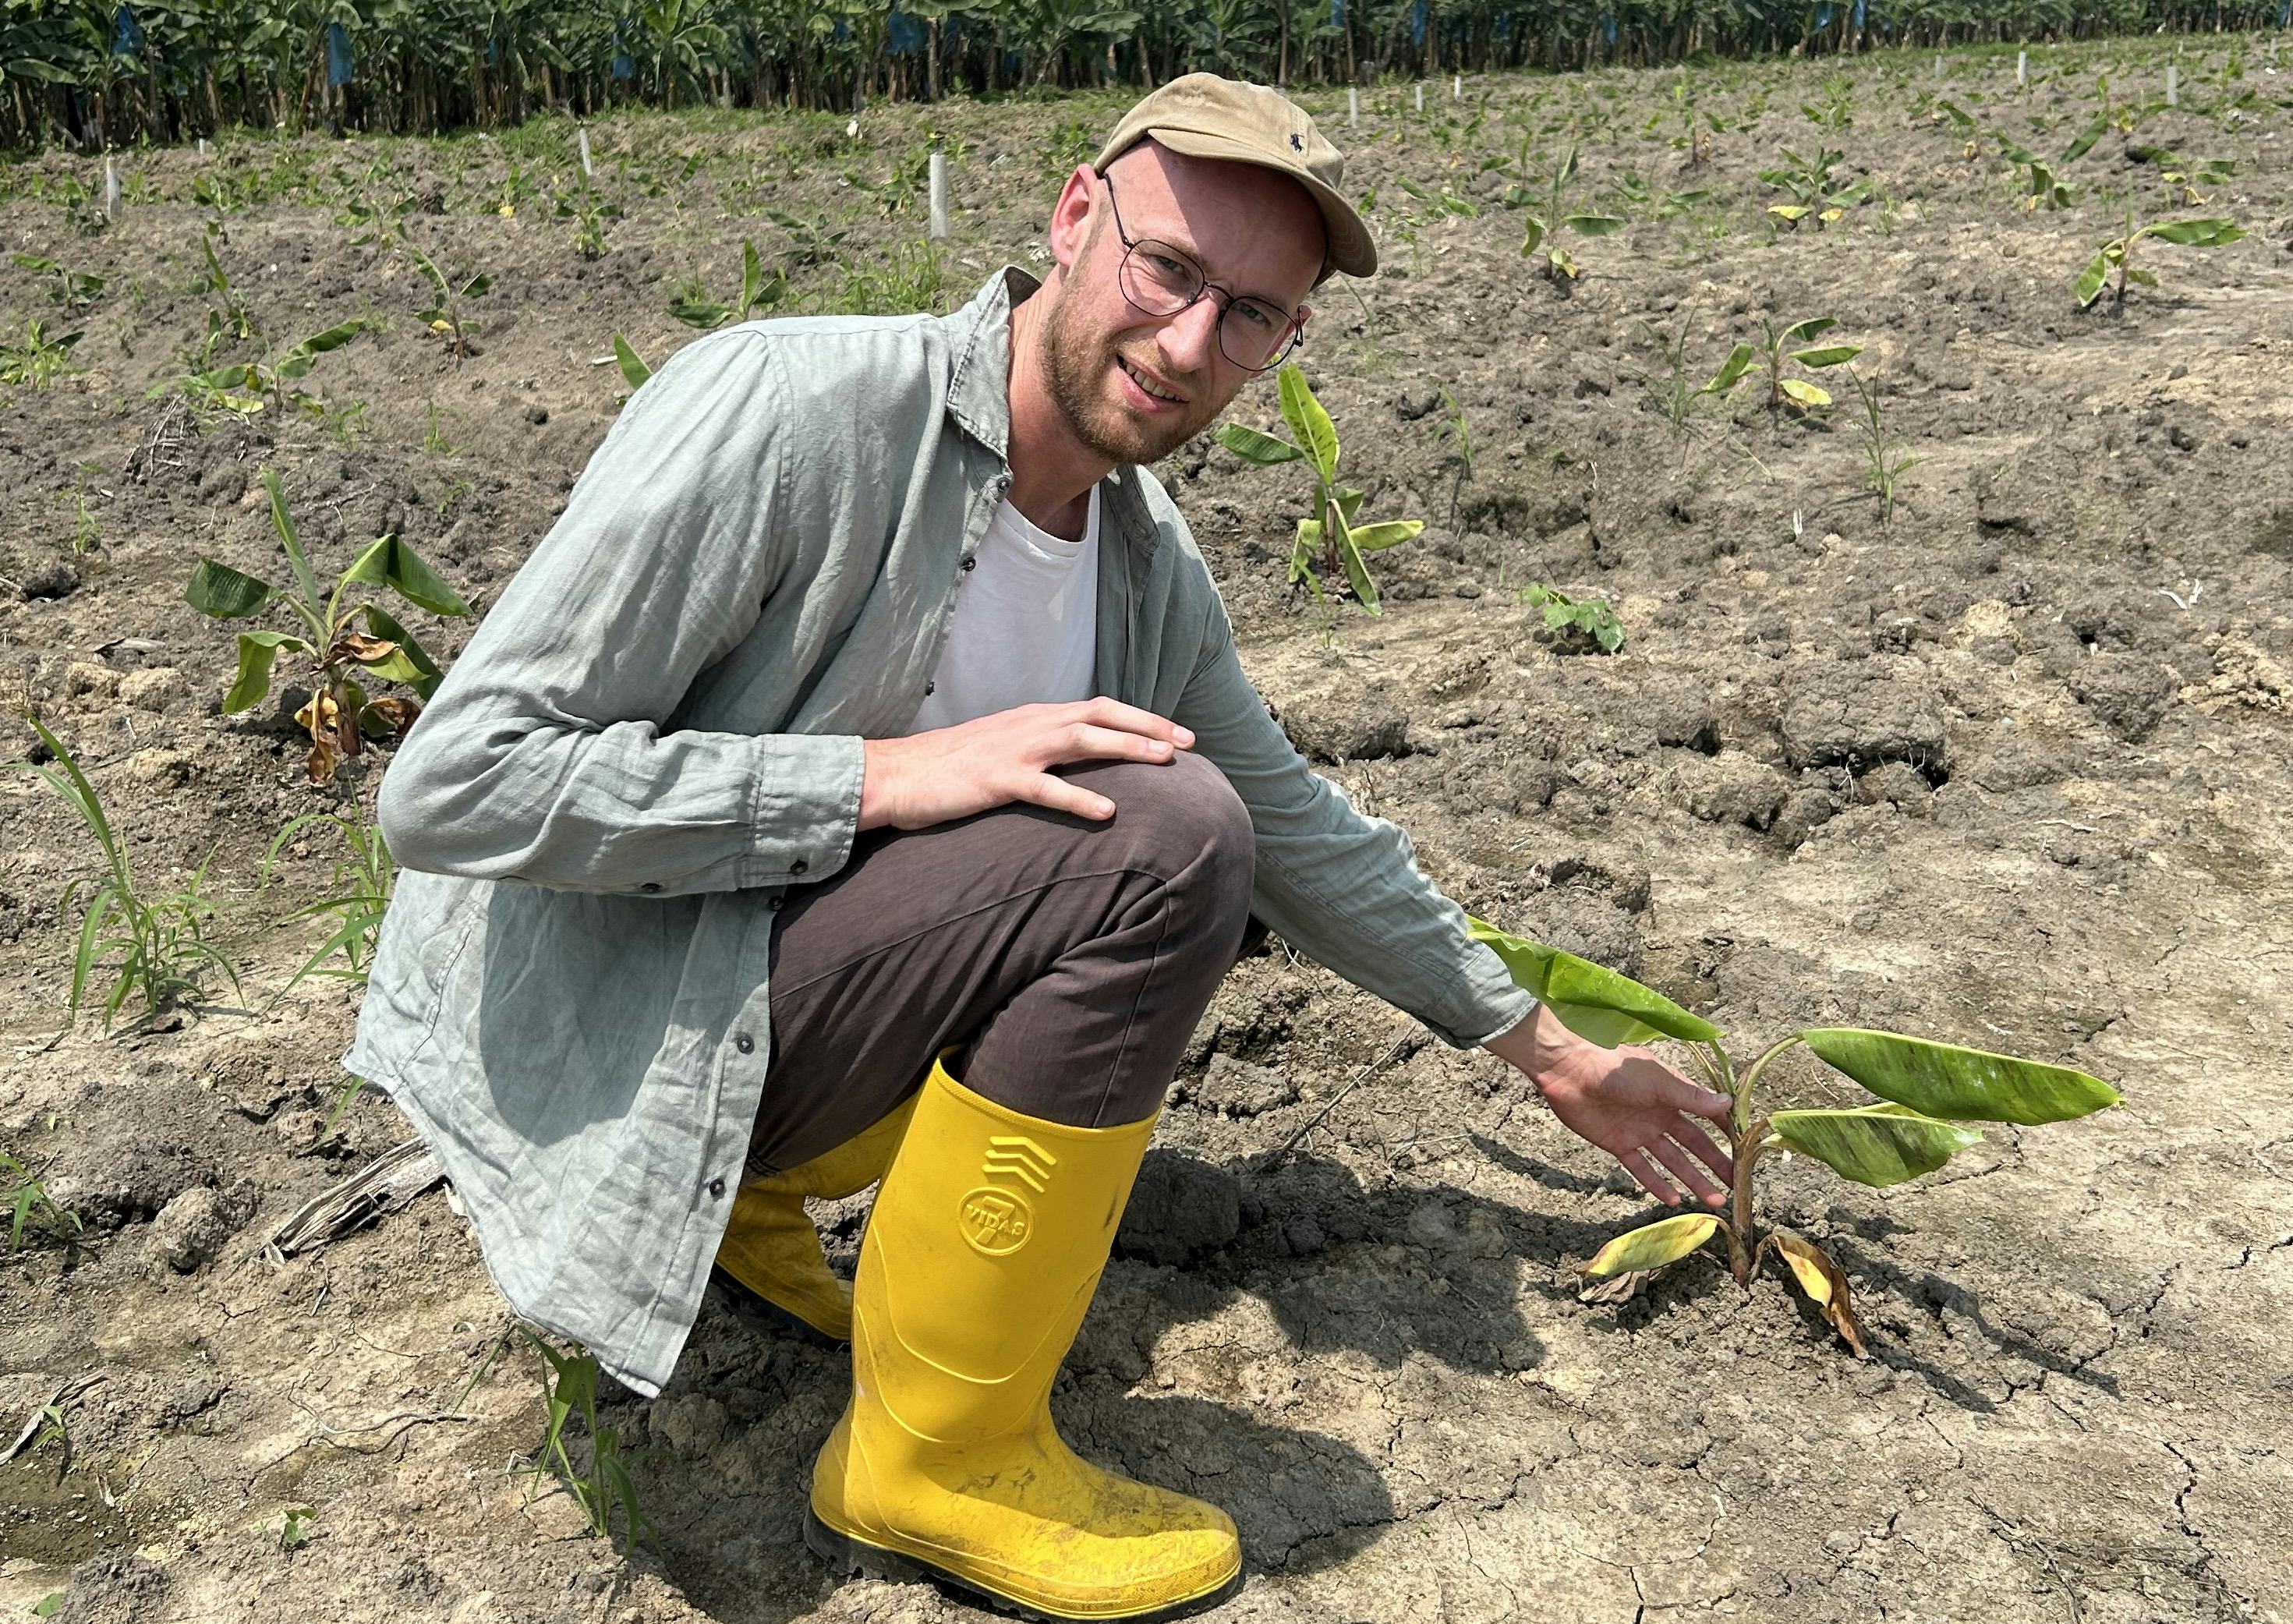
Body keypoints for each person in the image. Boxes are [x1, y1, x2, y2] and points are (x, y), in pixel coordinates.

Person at [349, 73, 1736, 1623]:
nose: (1193, 345)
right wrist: (880, 775)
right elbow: (455, 785)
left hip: (772, 1011)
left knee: (1175, 821)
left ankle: (748, 1209)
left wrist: (1537, 1043)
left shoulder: (1141, 564)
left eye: (1256, 316)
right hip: (612, 1038)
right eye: (1171, 272)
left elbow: (1297, 826)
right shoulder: (795, 411)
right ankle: (933, 1456)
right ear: (1075, 216)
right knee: (1152, 838)